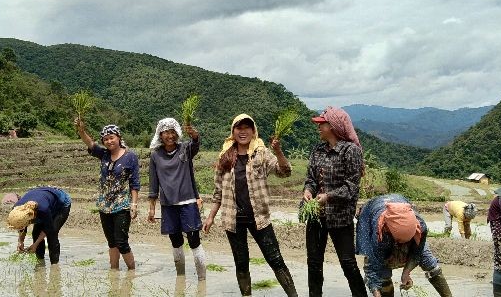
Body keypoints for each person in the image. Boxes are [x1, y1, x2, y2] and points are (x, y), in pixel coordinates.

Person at [203, 114, 298, 296]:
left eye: (247, 127)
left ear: (253, 131)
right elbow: (218, 192)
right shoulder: (225, 156)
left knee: (276, 260)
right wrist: (210, 217)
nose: (243, 131)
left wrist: (278, 151)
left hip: (259, 218)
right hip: (233, 220)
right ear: (233, 132)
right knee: (241, 263)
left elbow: (284, 172)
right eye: (239, 128)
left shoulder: (261, 153)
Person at [303, 106, 368, 297]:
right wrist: (308, 190)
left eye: (321, 124)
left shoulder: (351, 151)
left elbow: (351, 187)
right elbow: (311, 179)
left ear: (332, 126)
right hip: (316, 217)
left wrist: (328, 196)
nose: (319, 127)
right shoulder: (318, 150)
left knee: (348, 263)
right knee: (314, 264)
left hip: (340, 219)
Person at [357, 194, 452, 297]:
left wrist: (406, 273)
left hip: (400, 211)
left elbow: (417, 252)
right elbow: (374, 267)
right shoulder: (379, 232)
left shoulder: (421, 226)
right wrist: (376, 291)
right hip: (370, 214)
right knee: (382, 272)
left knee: (427, 259)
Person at [147, 117, 207, 280]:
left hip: (187, 202)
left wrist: (195, 136)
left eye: (172, 131)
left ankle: (202, 279)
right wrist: (152, 208)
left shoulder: (185, 149)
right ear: (160, 135)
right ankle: (180, 277)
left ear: (177, 133)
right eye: (166, 132)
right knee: (176, 242)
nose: (169, 135)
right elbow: (153, 183)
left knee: (194, 241)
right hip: (168, 204)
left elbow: (195, 145)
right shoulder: (155, 155)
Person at [75, 119, 140, 270]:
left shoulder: (130, 157)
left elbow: (134, 183)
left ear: (118, 137)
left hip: (122, 204)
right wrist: (81, 130)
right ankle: (114, 272)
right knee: (111, 242)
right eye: (106, 139)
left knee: (122, 241)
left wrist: (134, 204)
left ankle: (132, 272)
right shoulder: (103, 154)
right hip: (104, 205)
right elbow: (90, 144)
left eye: (112, 137)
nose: (109, 141)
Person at [6, 186, 72, 265]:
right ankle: (40, 262)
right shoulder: (17, 210)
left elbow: (48, 228)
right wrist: (20, 242)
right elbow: (22, 227)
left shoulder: (43, 209)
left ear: (28, 219)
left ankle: (54, 266)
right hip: (42, 199)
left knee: (52, 235)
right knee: (36, 234)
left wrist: (35, 244)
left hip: (61, 204)